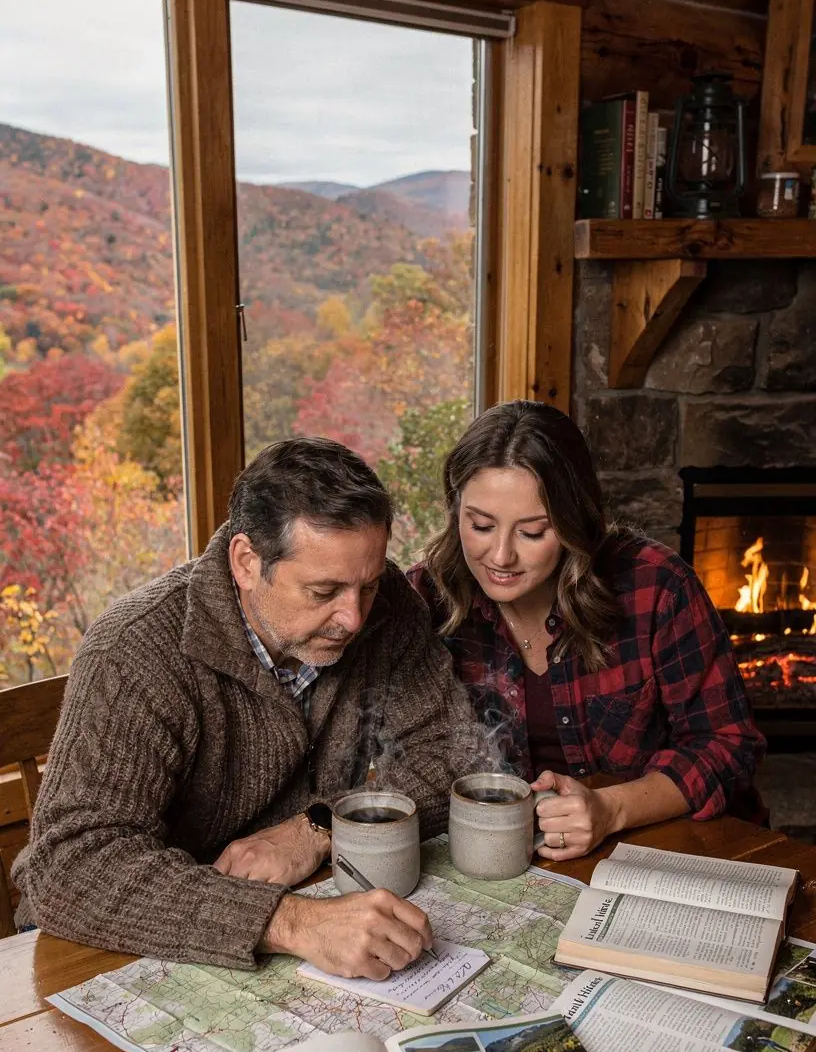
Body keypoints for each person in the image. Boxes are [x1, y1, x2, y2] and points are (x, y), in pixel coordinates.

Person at [14, 437, 482, 977]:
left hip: (301, 906)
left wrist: (317, 827)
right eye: (322, 591)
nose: (354, 618)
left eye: (368, 586)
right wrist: (291, 923)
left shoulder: (387, 604)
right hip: (106, 943)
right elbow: (72, 867)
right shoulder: (134, 652)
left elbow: (451, 755)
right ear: (245, 562)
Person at [409, 401, 766, 862]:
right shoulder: (424, 597)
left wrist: (610, 809)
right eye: (480, 525)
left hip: (664, 846)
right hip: (518, 862)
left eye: (532, 533)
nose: (499, 556)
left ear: (575, 520)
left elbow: (728, 744)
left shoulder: (654, 585)